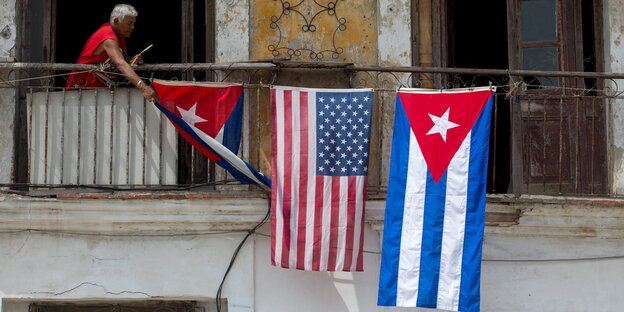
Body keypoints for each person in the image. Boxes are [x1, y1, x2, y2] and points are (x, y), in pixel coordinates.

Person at [65, 4, 159, 103]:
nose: (132, 27)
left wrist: (133, 60)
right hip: (80, 91)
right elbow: (120, 64)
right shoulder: (108, 37)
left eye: (133, 23)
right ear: (116, 21)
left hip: (100, 91)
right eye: (129, 23)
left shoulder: (120, 35)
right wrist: (143, 87)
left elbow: (125, 59)